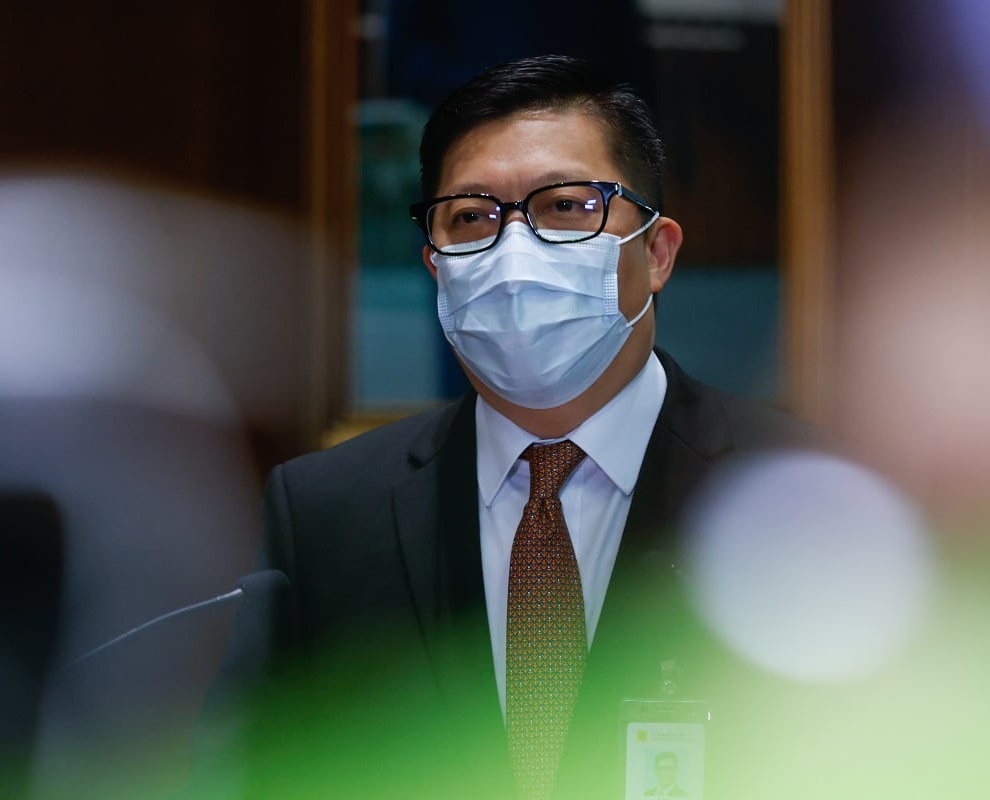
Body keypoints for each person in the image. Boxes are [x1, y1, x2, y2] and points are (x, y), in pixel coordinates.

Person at [204, 55, 812, 800]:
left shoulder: (805, 495)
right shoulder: (326, 513)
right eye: (472, 217)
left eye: (566, 206)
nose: (514, 252)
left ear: (656, 253)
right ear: (436, 266)